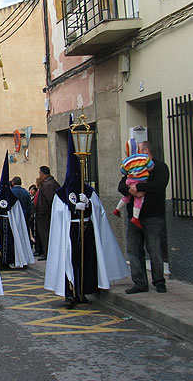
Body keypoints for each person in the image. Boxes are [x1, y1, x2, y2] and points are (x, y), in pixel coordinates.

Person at [45, 132, 129, 308]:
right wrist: (74, 208)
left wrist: (88, 204)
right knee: (69, 262)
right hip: (68, 233)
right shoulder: (61, 195)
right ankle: (70, 293)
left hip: (87, 230)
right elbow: (59, 217)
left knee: (86, 261)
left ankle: (83, 291)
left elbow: (98, 213)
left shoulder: (89, 191)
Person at [118, 140, 169, 294]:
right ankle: (139, 283)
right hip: (134, 218)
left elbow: (159, 185)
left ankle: (159, 282)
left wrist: (139, 187)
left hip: (153, 216)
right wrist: (131, 189)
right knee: (133, 250)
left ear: (146, 151)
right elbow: (121, 186)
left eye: (138, 150)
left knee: (154, 250)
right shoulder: (132, 167)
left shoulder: (160, 167)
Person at [0, 154, 35, 269]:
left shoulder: (12, 199)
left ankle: (9, 260)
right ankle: (1, 261)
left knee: (10, 242)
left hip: (9, 224)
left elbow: (17, 215)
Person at [113, 138, 154, 229]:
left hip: (130, 180)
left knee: (126, 197)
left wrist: (133, 188)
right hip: (140, 179)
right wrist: (135, 190)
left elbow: (123, 171)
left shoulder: (127, 161)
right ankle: (135, 217)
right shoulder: (144, 158)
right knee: (138, 200)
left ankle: (117, 209)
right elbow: (151, 166)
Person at [34, 166, 60, 260]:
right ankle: (44, 250)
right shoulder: (47, 183)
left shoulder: (49, 184)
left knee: (46, 233)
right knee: (43, 233)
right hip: (43, 213)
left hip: (45, 214)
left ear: (43, 173)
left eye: (40, 173)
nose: (39, 175)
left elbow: (50, 199)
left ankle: (47, 252)